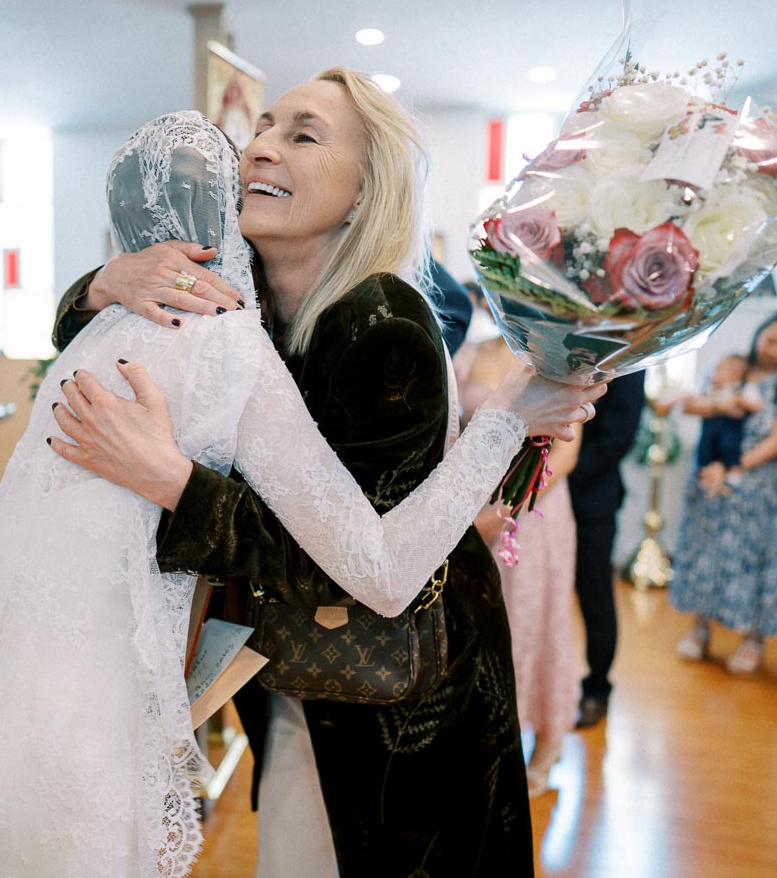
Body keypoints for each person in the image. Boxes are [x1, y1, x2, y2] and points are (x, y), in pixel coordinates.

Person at [47, 73, 603, 876]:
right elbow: (83, 337)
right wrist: (104, 283)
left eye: (304, 135)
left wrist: (172, 481)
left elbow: (371, 575)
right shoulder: (249, 306)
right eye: (263, 127)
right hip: (303, 676)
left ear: (363, 193)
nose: (262, 145)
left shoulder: (381, 322)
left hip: (397, 709)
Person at [669, 310, 777, 674]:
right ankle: (700, 628)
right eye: (770, 340)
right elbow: (693, 404)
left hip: (757, 485)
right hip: (709, 476)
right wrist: (722, 404)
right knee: (705, 552)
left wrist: (733, 465)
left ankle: (753, 639)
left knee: (751, 559)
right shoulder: (733, 367)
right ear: (759, 333)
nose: (774, 350)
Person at [467, 337, 581, 797]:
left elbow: (566, 453)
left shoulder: (561, 358)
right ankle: (492, 737)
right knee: (484, 624)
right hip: (474, 504)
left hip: (534, 509)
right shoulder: (477, 350)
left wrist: (502, 514)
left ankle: (547, 744)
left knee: (534, 621)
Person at [568, 369, 646, 729]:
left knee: (595, 596)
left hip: (590, 497)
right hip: (539, 495)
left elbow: (618, 438)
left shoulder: (629, 362)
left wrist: (557, 476)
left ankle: (597, 689)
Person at [690, 353, 763, 492]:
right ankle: (704, 475)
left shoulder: (743, 389)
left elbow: (756, 405)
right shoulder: (711, 388)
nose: (713, 374)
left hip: (730, 427)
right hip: (709, 427)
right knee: (704, 448)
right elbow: (692, 404)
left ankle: (733, 471)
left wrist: (739, 400)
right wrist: (718, 406)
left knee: (730, 447)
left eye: (718, 371)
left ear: (735, 374)